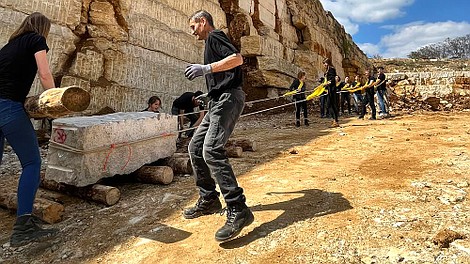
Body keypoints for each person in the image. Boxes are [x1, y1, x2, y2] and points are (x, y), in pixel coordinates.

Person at [183, 10, 254, 242]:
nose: (192, 32)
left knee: (211, 149)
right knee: (195, 148)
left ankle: (238, 208)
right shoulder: (209, 44)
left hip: (228, 99)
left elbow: (237, 59)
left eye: (193, 26)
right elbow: (227, 73)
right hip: (218, 99)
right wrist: (209, 93)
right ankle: (209, 199)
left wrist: (206, 69)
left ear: (203, 22)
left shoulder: (215, 36)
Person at [0, 12, 58, 247]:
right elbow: (44, 74)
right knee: (32, 163)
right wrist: (55, 100)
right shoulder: (36, 40)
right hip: (9, 107)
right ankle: (23, 226)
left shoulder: (8, 46)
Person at [323, 58, 339, 127]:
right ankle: (335, 120)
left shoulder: (331, 69)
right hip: (329, 88)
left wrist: (328, 83)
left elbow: (333, 78)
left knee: (331, 104)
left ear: (328, 63)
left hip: (332, 89)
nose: (324, 65)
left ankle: (335, 120)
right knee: (330, 104)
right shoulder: (328, 70)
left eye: (325, 63)